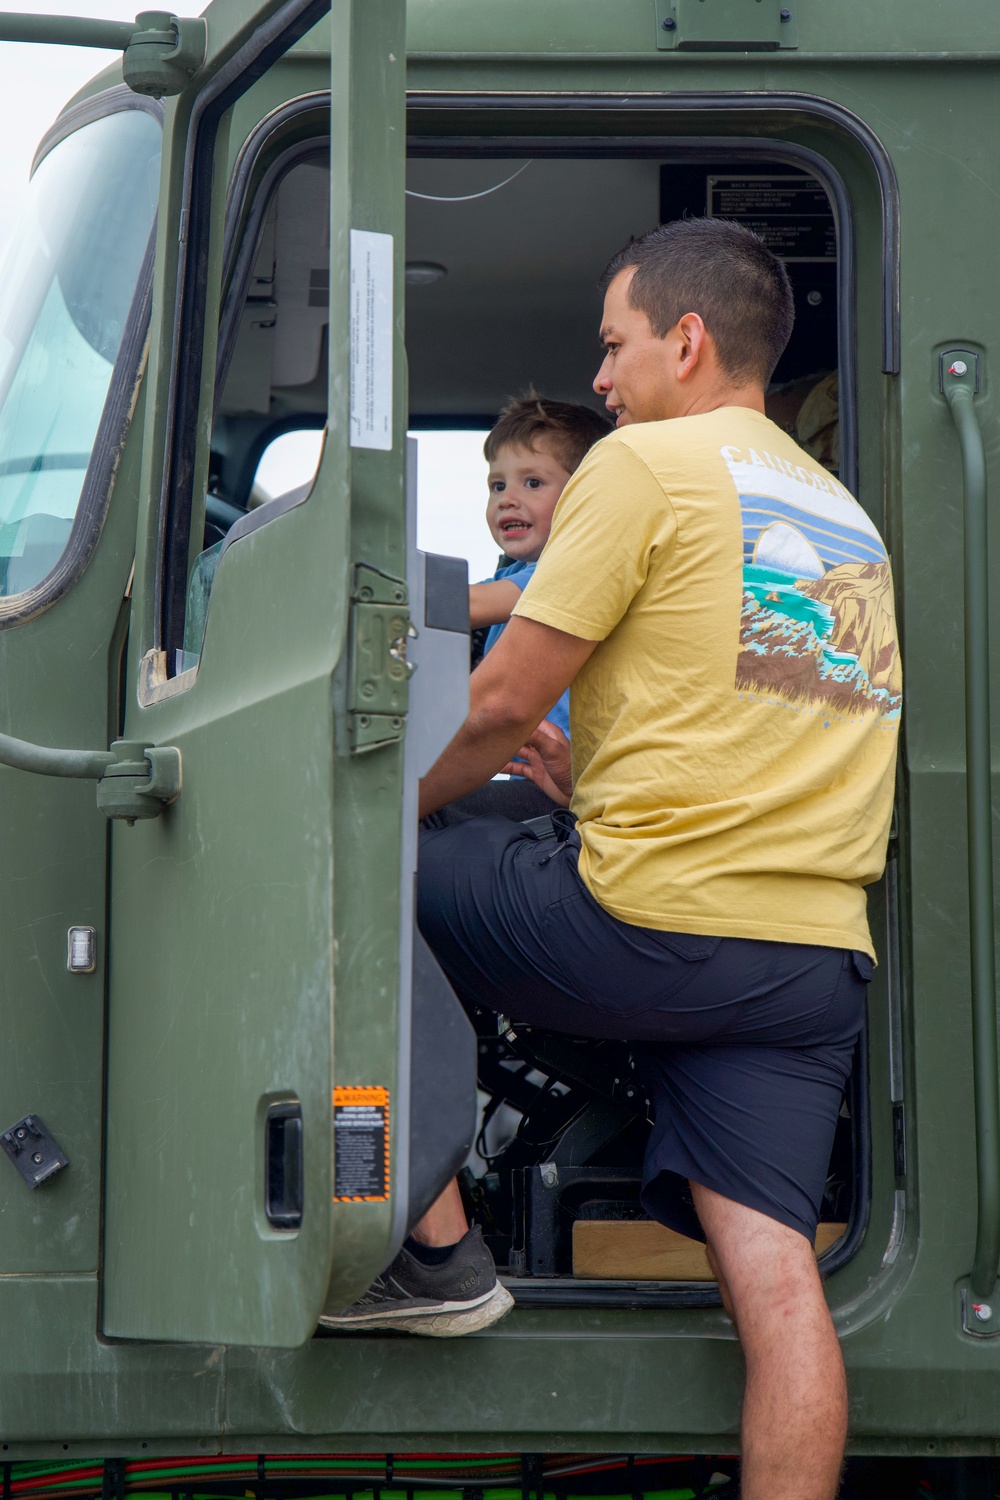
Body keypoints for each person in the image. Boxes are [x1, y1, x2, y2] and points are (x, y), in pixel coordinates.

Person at [327, 217, 900, 1500]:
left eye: (614, 343)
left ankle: (432, 1248)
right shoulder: (841, 519)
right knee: (778, 1287)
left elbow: (501, 704)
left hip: (644, 926)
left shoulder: (643, 468)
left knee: (345, 869)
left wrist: (382, 811)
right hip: (806, 966)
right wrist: (598, 786)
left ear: (685, 341)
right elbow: (754, 737)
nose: (601, 377)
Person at [423, 394, 612, 828]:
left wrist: (376, 591)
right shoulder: (519, 572)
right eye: (497, 485)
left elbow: (467, 604)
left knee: (419, 820)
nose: (507, 499)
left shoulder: (565, 568)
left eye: (532, 483)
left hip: (559, 785)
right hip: (527, 775)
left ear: (585, 498)